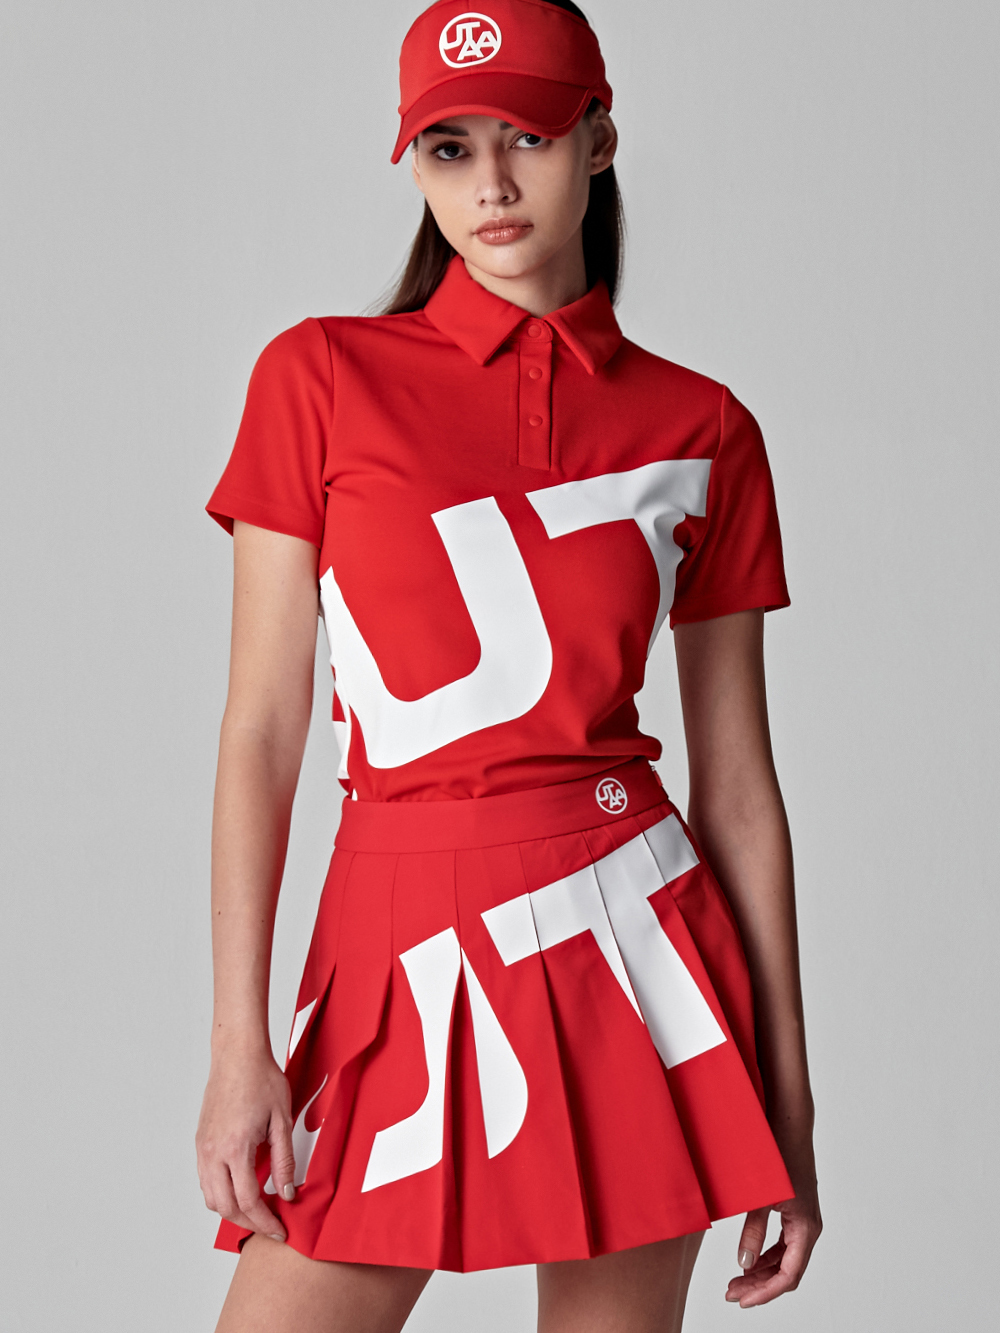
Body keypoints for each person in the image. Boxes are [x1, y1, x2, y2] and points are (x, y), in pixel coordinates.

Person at [195, 1, 822, 1328]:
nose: (489, 183)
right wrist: (239, 1041)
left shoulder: (704, 427)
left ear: (599, 139)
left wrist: (788, 1103)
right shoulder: (317, 378)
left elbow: (740, 789)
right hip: (396, 949)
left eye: (527, 136)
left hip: (627, 946)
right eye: (449, 148)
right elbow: (261, 732)